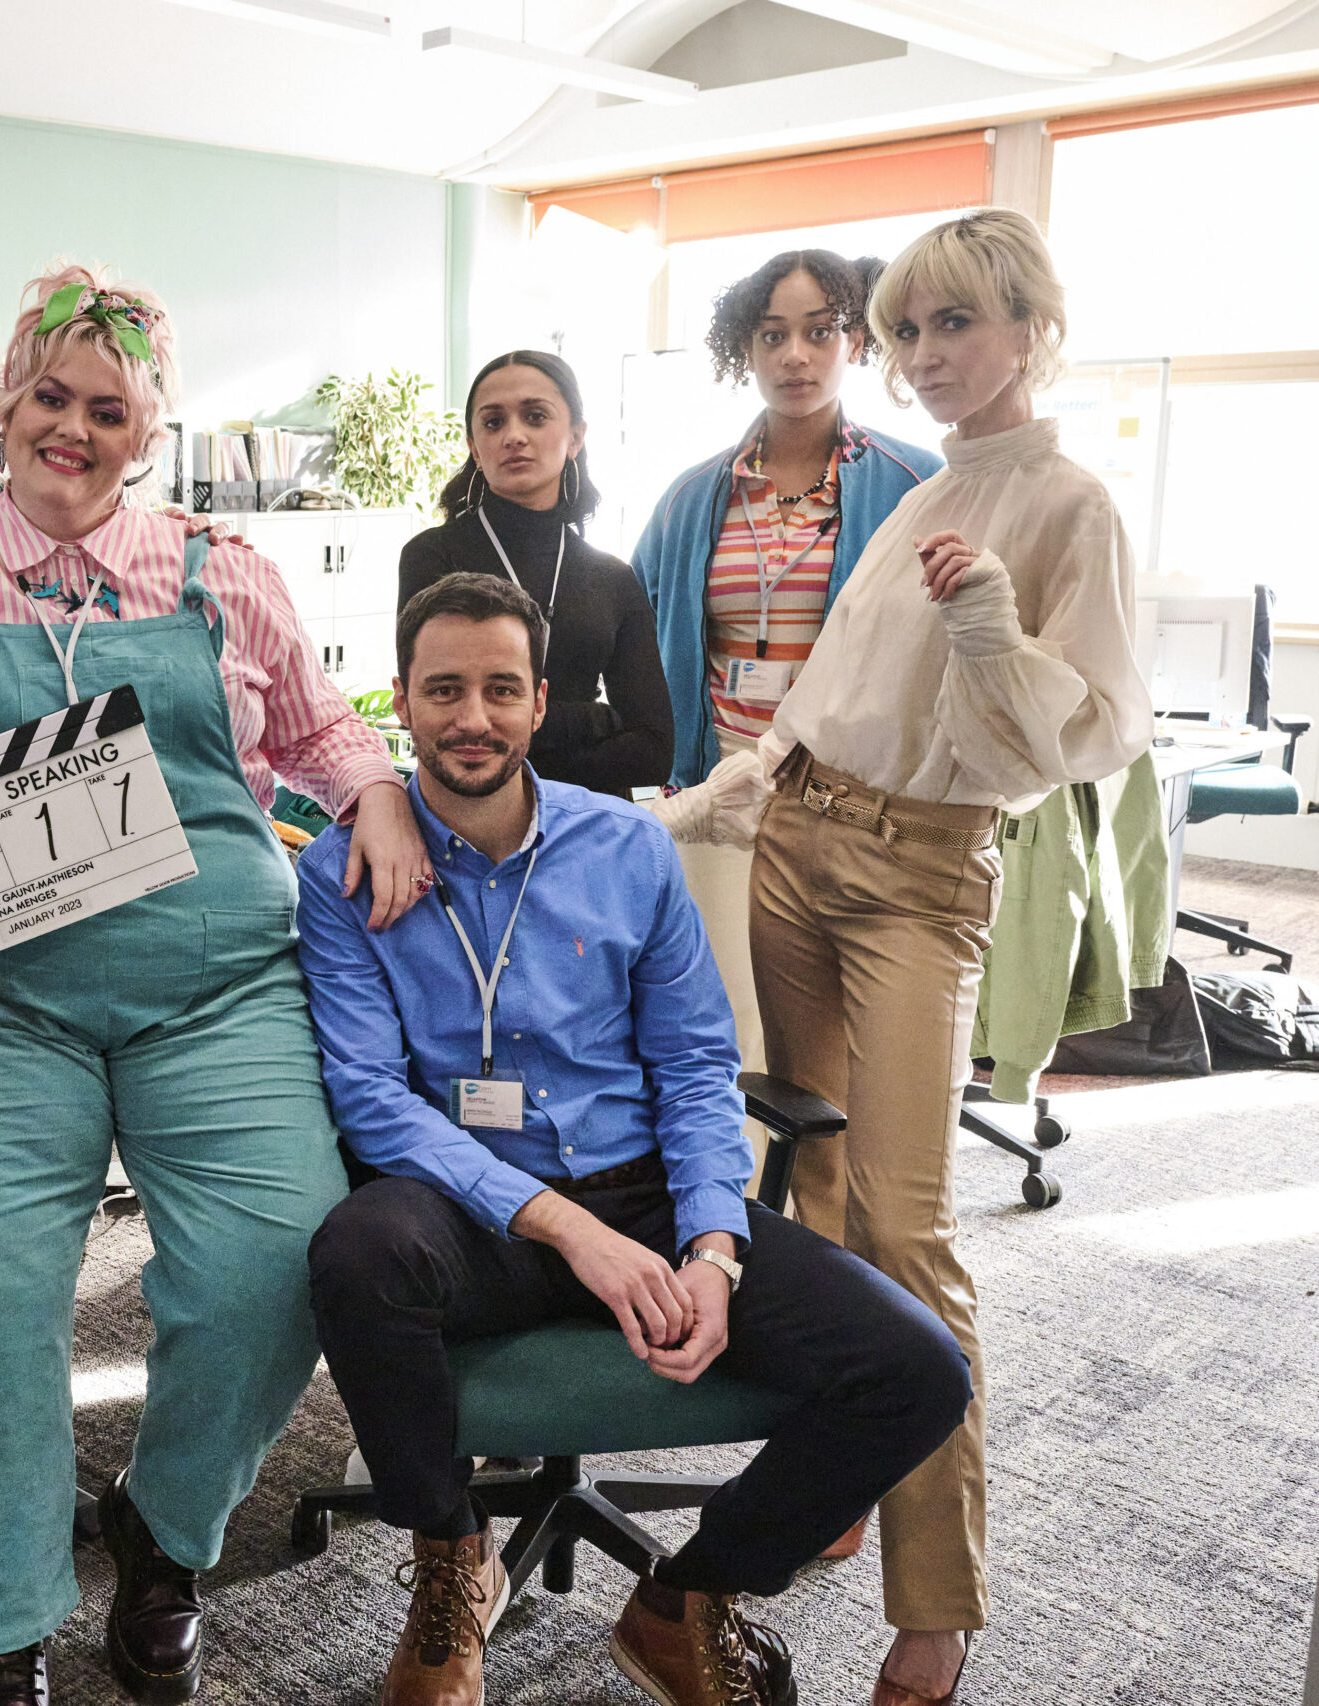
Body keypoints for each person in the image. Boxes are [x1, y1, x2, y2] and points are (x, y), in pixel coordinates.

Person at [0, 262, 435, 1706]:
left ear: (144, 435)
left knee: (276, 1262)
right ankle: (6, 1622)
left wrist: (377, 797)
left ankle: (162, 1530)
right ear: (3, 408)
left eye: (106, 408)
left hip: (212, 987)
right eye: (50, 397)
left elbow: (327, 727)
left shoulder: (223, 573)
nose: (72, 429)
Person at [297, 571, 971, 1706]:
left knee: (915, 1368)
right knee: (356, 1253)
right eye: (444, 689)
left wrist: (712, 1243)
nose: (473, 716)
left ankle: (686, 1596)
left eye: (500, 688)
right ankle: (451, 1556)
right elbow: (369, 1097)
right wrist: (565, 1230)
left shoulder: (627, 849)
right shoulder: (341, 868)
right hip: (472, 1215)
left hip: (647, 1194)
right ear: (400, 703)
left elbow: (697, 1063)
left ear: (541, 699)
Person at [657, 208, 1151, 1706]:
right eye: (915, 330)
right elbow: (828, 693)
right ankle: (843, 1462)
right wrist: (707, 799)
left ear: (1032, 332)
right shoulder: (924, 488)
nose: (928, 356)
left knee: (911, 1229)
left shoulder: (1067, 505)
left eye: (959, 326)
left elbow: (1082, 738)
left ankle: (935, 1612)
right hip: (793, 842)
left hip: (917, 878)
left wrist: (996, 634)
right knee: (809, 1184)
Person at [633, 249, 944, 789]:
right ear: (748, 352)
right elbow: (633, 630)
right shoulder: (689, 498)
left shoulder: (915, 484)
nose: (794, 356)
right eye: (773, 336)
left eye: (820, 332)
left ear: (857, 343)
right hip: (712, 786)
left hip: (852, 797)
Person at [397, 351, 671, 797]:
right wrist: (595, 717)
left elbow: (654, 751)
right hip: (469, 819)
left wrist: (517, 740)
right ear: (473, 445)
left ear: (575, 437)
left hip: (590, 825)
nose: (514, 436)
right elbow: (435, 721)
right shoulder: (432, 558)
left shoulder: (613, 578)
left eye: (535, 416)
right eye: (493, 422)